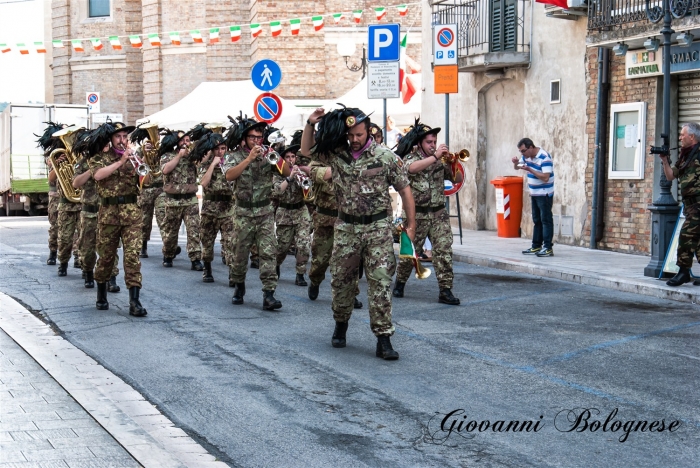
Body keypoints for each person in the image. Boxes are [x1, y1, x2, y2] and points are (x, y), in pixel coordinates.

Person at [301, 106, 416, 360]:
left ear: (369, 132)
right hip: (346, 228)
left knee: (381, 282)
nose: (355, 140)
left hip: (377, 229)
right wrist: (310, 124)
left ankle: (383, 338)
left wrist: (411, 225)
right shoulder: (337, 154)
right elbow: (307, 151)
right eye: (351, 135)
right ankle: (341, 325)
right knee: (342, 281)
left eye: (359, 135)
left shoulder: (385, 157)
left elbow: (405, 189)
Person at [224, 116, 291, 310]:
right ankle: (239, 285)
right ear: (244, 138)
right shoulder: (234, 156)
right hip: (243, 212)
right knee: (239, 253)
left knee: (269, 252)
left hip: (264, 212)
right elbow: (229, 175)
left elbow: (287, 173)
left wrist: (276, 157)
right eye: (253, 137)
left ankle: (269, 293)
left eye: (259, 137)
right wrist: (249, 159)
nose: (256, 141)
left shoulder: (268, 154)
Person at [392, 119, 461, 305]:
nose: (433, 146)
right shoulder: (411, 159)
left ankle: (445, 290)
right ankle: (399, 283)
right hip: (416, 216)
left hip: (438, 214)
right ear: (421, 143)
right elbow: (412, 170)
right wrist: (436, 157)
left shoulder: (440, 161)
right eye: (429, 142)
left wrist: (454, 164)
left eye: (434, 142)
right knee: (409, 254)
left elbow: (458, 179)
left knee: (444, 251)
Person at [87, 121, 147, 316]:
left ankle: (134, 301)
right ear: (110, 139)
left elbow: (148, 180)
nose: (122, 141)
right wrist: (121, 162)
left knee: (132, 257)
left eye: (124, 137)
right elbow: (97, 176)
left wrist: (143, 168)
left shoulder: (134, 157)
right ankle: (102, 295)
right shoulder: (99, 158)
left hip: (132, 215)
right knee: (106, 258)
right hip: (109, 214)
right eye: (118, 137)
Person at [307, 156, 363, 309]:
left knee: (348, 261)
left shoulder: (353, 159)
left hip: (345, 219)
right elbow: (319, 175)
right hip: (325, 219)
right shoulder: (319, 161)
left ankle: (351, 294)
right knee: (320, 260)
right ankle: (315, 280)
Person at [72, 129, 121, 291]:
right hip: (89, 211)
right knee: (87, 247)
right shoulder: (83, 161)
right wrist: (91, 169)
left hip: (108, 209)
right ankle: (87, 272)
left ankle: (112, 277)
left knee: (110, 245)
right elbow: (76, 183)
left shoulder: (111, 159)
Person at [660, 122, 700, 286]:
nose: (680, 137)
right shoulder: (685, 155)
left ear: (692, 136)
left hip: (698, 205)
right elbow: (670, 176)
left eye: (683, 135)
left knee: (686, 237)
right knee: (697, 240)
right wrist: (664, 160)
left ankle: (683, 272)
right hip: (689, 206)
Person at [193, 132, 235, 283]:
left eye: (223, 149)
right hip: (210, 209)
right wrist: (212, 164)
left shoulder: (231, 164)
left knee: (231, 242)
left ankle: (232, 274)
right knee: (207, 241)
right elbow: (203, 183)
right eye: (217, 149)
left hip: (228, 209)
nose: (220, 152)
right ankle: (207, 268)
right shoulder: (205, 165)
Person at [159, 128, 203, 270]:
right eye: (183, 140)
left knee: (194, 230)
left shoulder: (193, 157)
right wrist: (179, 156)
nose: (185, 143)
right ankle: (168, 254)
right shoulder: (167, 156)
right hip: (173, 201)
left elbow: (203, 165)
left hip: (190, 200)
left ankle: (195, 258)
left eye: (187, 140)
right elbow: (165, 170)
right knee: (171, 231)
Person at [273, 144, 312, 286]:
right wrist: (289, 177)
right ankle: (276, 265)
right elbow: (277, 191)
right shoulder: (278, 174)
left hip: (301, 212)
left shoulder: (301, 172)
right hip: (285, 213)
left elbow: (310, 195)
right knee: (283, 246)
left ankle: (300, 274)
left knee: (304, 245)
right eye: (287, 157)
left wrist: (303, 181)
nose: (291, 160)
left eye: (293, 157)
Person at [512, 138, 554, 257]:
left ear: (531, 147)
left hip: (544, 193)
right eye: (520, 152)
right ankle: (536, 246)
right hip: (534, 193)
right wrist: (515, 162)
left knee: (546, 220)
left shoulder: (544, 157)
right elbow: (518, 167)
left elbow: (545, 177)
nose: (522, 154)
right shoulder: (526, 157)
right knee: (537, 220)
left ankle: (547, 247)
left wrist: (530, 169)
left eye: (523, 151)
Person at [130, 125, 165, 259]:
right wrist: (145, 155)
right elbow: (137, 169)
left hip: (160, 187)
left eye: (157, 133)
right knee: (145, 219)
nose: (156, 136)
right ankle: (143, 246)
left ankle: (168, 245)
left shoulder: (162, 149)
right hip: (145, 188)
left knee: (163, 217)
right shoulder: (139, 151)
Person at [36, 122, 64, 266]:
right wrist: (57, 164)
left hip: (69, 197)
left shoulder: (71, 152)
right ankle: (53, 252)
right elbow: (51, 178)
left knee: (79, 228)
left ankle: (78, 256)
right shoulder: (50, 156)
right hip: (55, 197)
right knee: (55, 227)